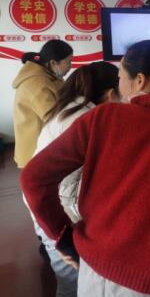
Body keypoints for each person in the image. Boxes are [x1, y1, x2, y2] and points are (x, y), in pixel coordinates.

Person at [21, 40, 150, 296]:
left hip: (93, 264)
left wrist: (63, 236)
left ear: (140, 80)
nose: (118, 83)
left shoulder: (102, 117)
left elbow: (33, 178)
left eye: (120, 76)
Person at [27, 62, 120, 297]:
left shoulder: (72, 107)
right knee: (71, 280)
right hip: (55, 206)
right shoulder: (86, 117)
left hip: (49, 202)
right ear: (111, 94)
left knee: (70, 275)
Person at [12, 39, 73, 168]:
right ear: (53, 63)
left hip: (46, 145)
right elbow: (54, 118)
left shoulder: (51, 76)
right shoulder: (36, 83)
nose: (70, 66)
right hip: (35, 149)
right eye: (68, 62)